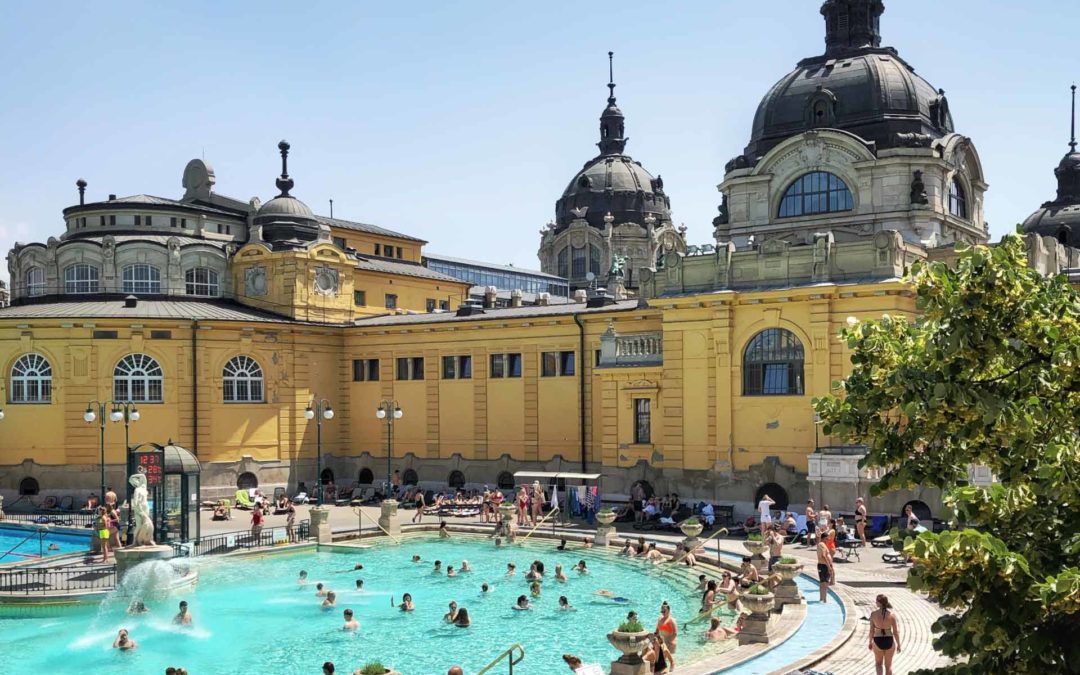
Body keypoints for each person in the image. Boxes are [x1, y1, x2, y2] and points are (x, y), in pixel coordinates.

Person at [869, 594, 901, 675]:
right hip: (889, 641)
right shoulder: (892, 615)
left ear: (879, 603)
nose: (875, 602)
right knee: (888, 666)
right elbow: (895, 632)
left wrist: (870, 642)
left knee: (878, 664)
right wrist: (898, 644)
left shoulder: (873, 614)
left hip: (877, 641)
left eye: (876, 601)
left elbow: (871, 631)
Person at [817, 535, 834, 603]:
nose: (828, 540)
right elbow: (823, 556)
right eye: (827, 539)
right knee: (825, 583)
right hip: (824, 566)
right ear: (824, 538)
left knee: (822, 582)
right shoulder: (822, 545)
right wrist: (829, 566)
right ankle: (825, 600)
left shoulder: (820, 544)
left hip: (821, 565)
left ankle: (821, 599)